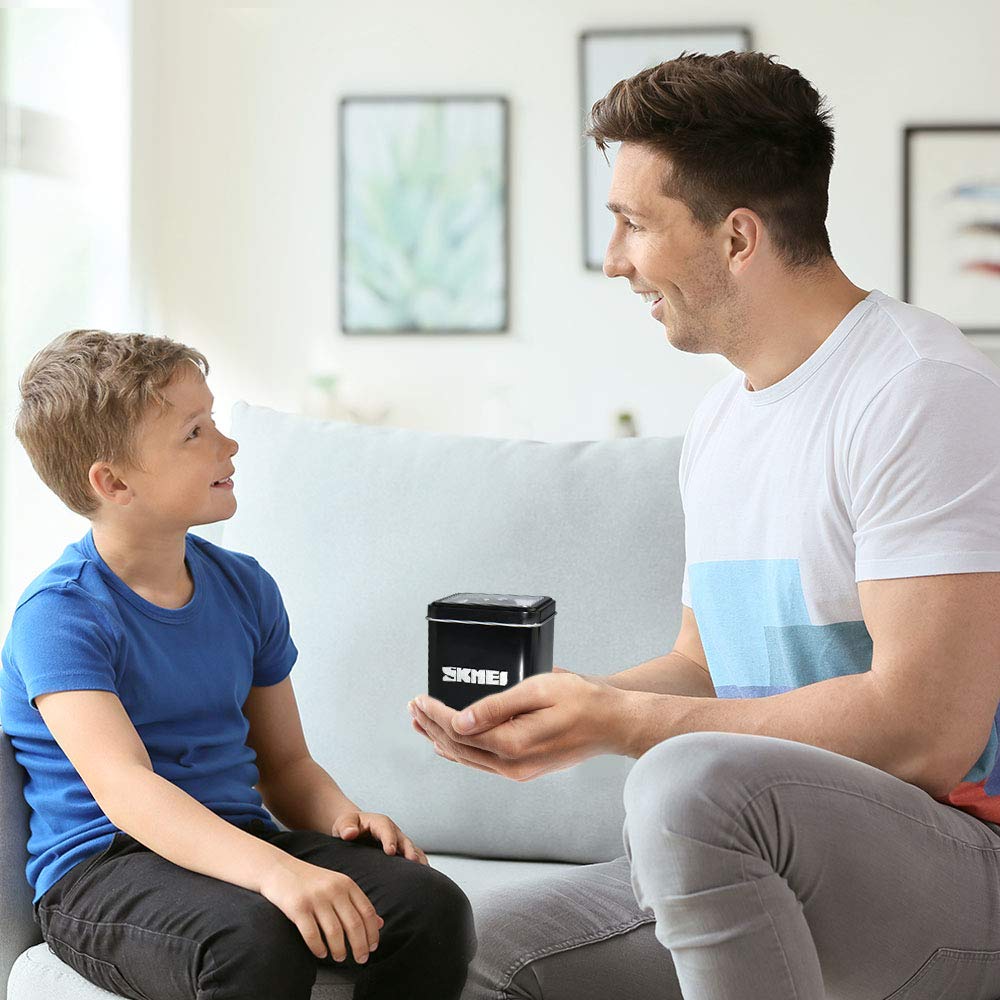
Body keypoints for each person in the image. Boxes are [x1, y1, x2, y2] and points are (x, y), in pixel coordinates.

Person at [409, 50, 1000, 1000]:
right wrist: (571, 710)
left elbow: (927, 731)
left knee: (683, 783)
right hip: (769, 847)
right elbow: (705, 666)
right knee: (465, 954)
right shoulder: (727, 420)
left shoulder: (919, 392)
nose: (615, 260)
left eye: (634, 223)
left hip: (958, 870)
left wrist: (633, 725)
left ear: (736, 238)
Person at [0, 329, 476, 1000]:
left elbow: (286, 767)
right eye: (195, 433)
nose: (229, 444)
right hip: (105, 871)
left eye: (215, 421)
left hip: (235, 841)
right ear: (114, 482)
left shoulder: (246, 587)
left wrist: (343, 815)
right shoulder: (60, 614)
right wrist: (276, 873)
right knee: (252, 935)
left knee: (430, 907)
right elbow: (126, 791)